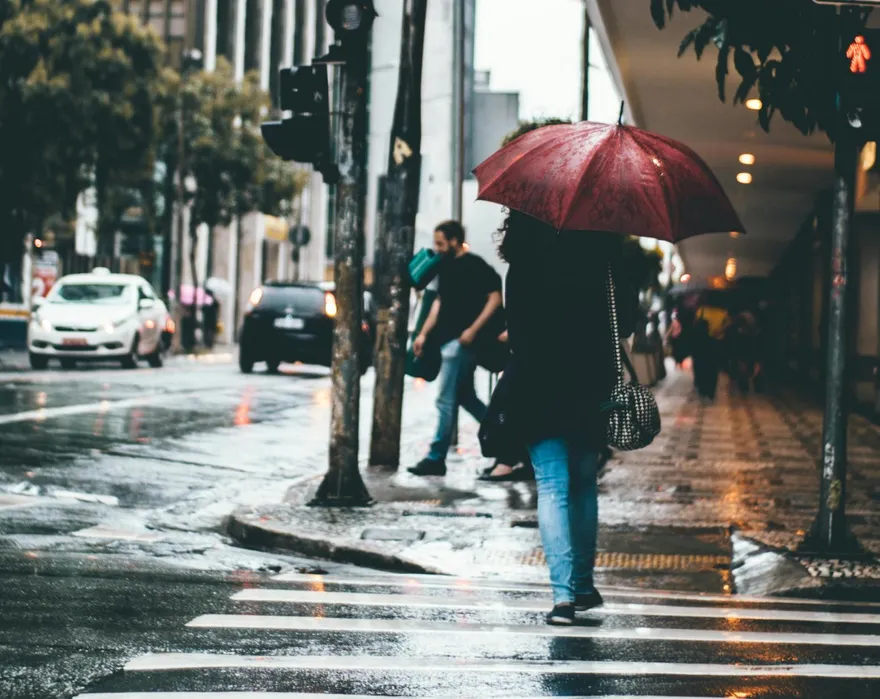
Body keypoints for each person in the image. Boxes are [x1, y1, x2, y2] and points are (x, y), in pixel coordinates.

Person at [493, 211, 637, 625]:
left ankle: (562, 598)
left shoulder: (522, 259)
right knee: (583, 486)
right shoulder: (602, 254)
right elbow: (625, 321)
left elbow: (518, 335)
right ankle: (583, 584)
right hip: (591, 382)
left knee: (552, 487)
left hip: (538, 384)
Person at [409, 221, 508, 477]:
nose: (437, 248)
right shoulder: (445, 267)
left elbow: (496, 299)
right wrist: (422, 334)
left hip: (461, 344)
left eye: (441, 243)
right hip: (448, 340)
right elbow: (439, 304)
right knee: (466, 398)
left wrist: (473, 329)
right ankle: (508, 443)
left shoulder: (476, 266)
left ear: (455, 240)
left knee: (445, 400)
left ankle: (435, 457)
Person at [692, 294, 730, 401]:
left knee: (702, 365)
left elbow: (695, 323)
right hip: (716, 341)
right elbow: (727, 325)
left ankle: (702, 389)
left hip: (702, 342)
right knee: (713, 367)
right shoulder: (723, 313)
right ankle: (711, 391)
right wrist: (719, 330)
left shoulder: (701, 311)